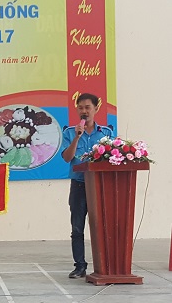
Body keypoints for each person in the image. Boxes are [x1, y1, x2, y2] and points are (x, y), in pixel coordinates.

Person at [61, 93, 113, 279]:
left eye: (87, 107)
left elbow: (112, 158)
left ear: (96, 109)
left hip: (100, 187)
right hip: (79, 186)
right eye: (80, 108)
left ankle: (106, 264)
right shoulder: (69, 132)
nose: (84, 111)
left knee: (102, 226)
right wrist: (77, 137)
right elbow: (67, 158)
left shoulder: (106, 133)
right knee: (77, 227)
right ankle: (80, 266)